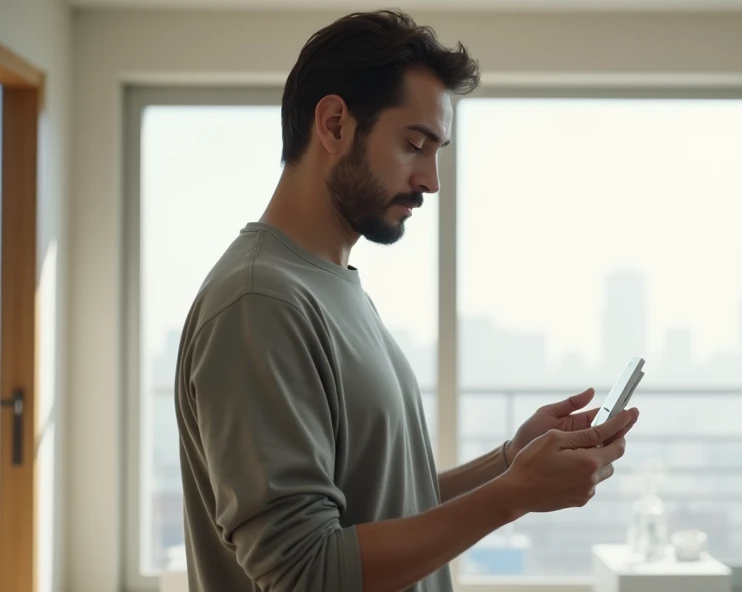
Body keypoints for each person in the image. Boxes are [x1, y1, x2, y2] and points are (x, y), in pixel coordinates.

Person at [174, 9, 640, 592]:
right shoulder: (260, 302)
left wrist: (506, 462)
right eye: (415, 145)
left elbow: (380, 503)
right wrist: (513, 495)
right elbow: (302, 571)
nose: (431, 180)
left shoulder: (330, 284)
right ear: (335, 123)